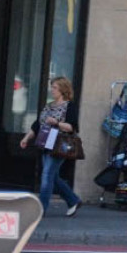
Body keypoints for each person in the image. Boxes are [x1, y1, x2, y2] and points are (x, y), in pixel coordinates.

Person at [19, 76, 83, 217]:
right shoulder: (49, 106)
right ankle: (73, 200)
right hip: (46, 143)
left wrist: (56, 122)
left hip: (60, 145)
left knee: (47, 175)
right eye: (52, 87)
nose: (52, 90)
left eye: (55, 87)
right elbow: (37, 125)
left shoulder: (69, 106)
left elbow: (72, 127)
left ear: (63, 89)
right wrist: (26, 138)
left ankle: (41, 208)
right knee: (52, 177)